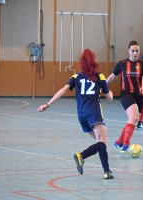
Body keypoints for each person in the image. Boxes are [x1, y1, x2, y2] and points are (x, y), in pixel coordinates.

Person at [37, 48, 114, 179]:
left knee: (100, 143)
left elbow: (63, 90)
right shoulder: (99, 76)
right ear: (94, 61)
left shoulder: (76, 76)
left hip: (82, 115)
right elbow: (109, 98)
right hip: (94, 113)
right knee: (102, 142)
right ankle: (82, 156)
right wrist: (110, 92)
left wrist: (47, 104)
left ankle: (107, 172)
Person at [106, 40, 143, 153]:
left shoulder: (142, 64)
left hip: (139, 96)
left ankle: (118, 142)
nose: (135, 53)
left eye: (137, 51)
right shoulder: (122, 63)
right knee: (133, 117)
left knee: (134, 119)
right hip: (126, 94)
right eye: (133, 51)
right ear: (128, 51)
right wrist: (102, 84)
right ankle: (125, 144)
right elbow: (112, 77)